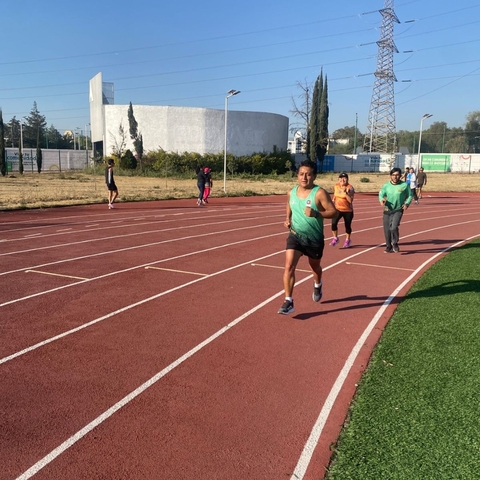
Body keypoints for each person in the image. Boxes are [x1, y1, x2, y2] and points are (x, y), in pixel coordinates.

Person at [278, 159, 337, 315]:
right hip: (295, 235)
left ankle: (318, 284)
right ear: (297, 175)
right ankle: (288, 301)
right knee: (289, 266)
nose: (304, 177)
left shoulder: (319, 193)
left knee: (315, 267)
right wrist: (288, 218)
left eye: (308, 174)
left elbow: (334, 212)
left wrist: (316, 213)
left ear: (314, 176)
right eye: (301, 174)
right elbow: (289, 204)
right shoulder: (291, 192)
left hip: (314, 239)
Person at [379, 167, 413, 253]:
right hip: (387, 209)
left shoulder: (404, 185)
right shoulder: (386, 185)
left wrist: (407, 204)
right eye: (393, 175)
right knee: (387, 229)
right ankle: (388, 246)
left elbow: (410, 195)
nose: (395, 177)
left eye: (397, 175)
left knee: (393, 227)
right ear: (390, 176)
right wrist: (382, 199)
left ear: (400, 176)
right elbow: (381, 194)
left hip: (398, 209)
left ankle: (394, 242)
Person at [329, 172, 355, 248]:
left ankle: (347, 240)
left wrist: (345, 192)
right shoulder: (336, 186)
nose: (342, 180)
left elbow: (350, 200)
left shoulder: (350, 188)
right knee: (333, 223)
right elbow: (335, 194)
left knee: (347, 226)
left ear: (347, 179)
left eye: (344, 178)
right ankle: (335, 238)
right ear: (338, 179)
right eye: (340, 178)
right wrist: (333, 200)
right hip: (338, 209)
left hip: (348, 211)